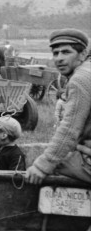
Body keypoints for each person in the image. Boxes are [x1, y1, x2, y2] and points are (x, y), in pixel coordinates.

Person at [26, 28, 91, 184]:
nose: (59, 59)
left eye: (66, 52)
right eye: (56, 53)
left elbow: (70, 129)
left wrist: (42, 166)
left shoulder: (79, 80)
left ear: (82, 54)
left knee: (35, 167)